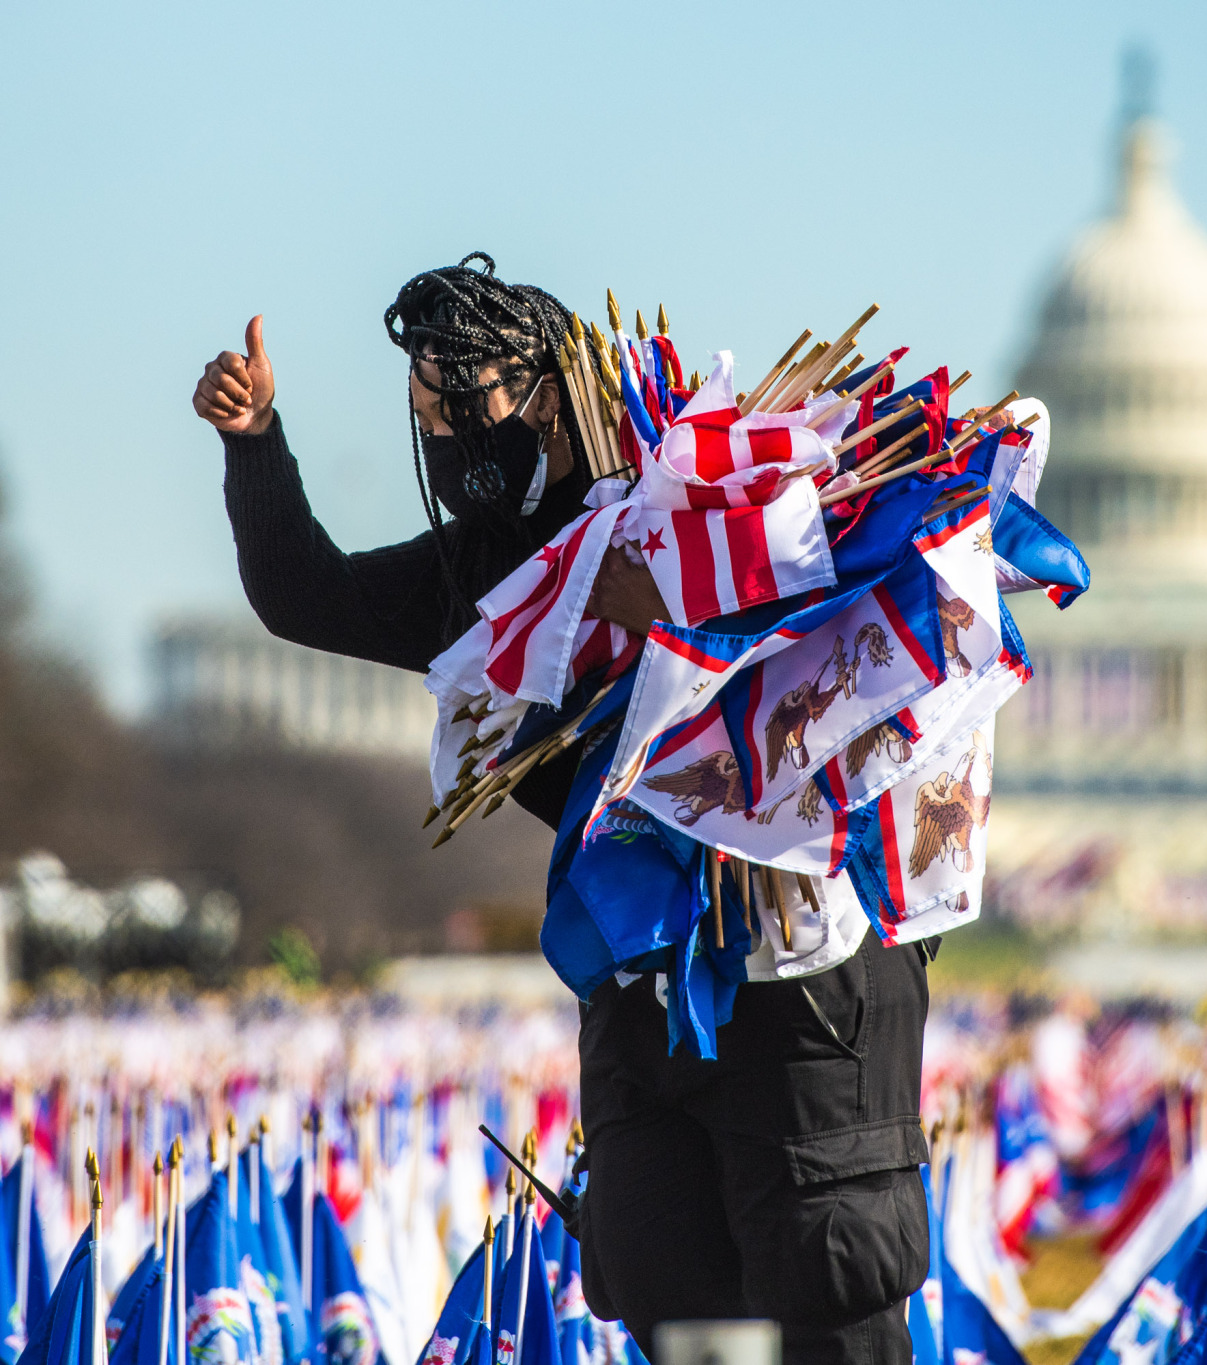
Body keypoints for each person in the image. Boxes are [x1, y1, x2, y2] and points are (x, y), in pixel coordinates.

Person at [194, 254, 933, 1365]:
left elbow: (852, 619)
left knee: (825, 1278)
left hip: (800, 973)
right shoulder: (481, 577)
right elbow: (313, 595)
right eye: (424, 416)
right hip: (642, 986)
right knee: (670, 1285)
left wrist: (677, 613)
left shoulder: (694, 489)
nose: (448, 439)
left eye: (469, 403)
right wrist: (255, 445)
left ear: (547, 389)